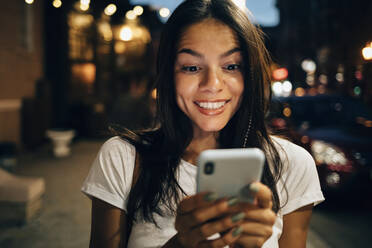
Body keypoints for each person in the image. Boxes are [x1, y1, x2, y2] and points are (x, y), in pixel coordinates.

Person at [81, 0, 324, 247]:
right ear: (169, 73)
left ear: (249, 74)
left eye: (231, 66)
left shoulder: (291, 164)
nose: (212, 84)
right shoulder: (123, 158)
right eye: (192, 67)